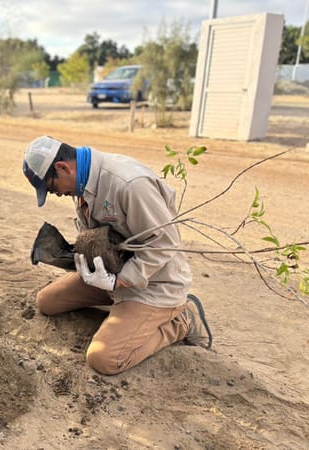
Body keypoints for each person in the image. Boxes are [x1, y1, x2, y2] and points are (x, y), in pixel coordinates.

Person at [22, 135, 212, 375]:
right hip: (112, 275)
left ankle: (181, 321)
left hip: (153, 284)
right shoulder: (82, 184)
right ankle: (125, 314)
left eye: (51, 187)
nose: (54, 194)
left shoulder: (129, 184)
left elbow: (165, 243)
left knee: (104, 358)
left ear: (62, 168)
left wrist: (120, 280)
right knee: (47, 302)